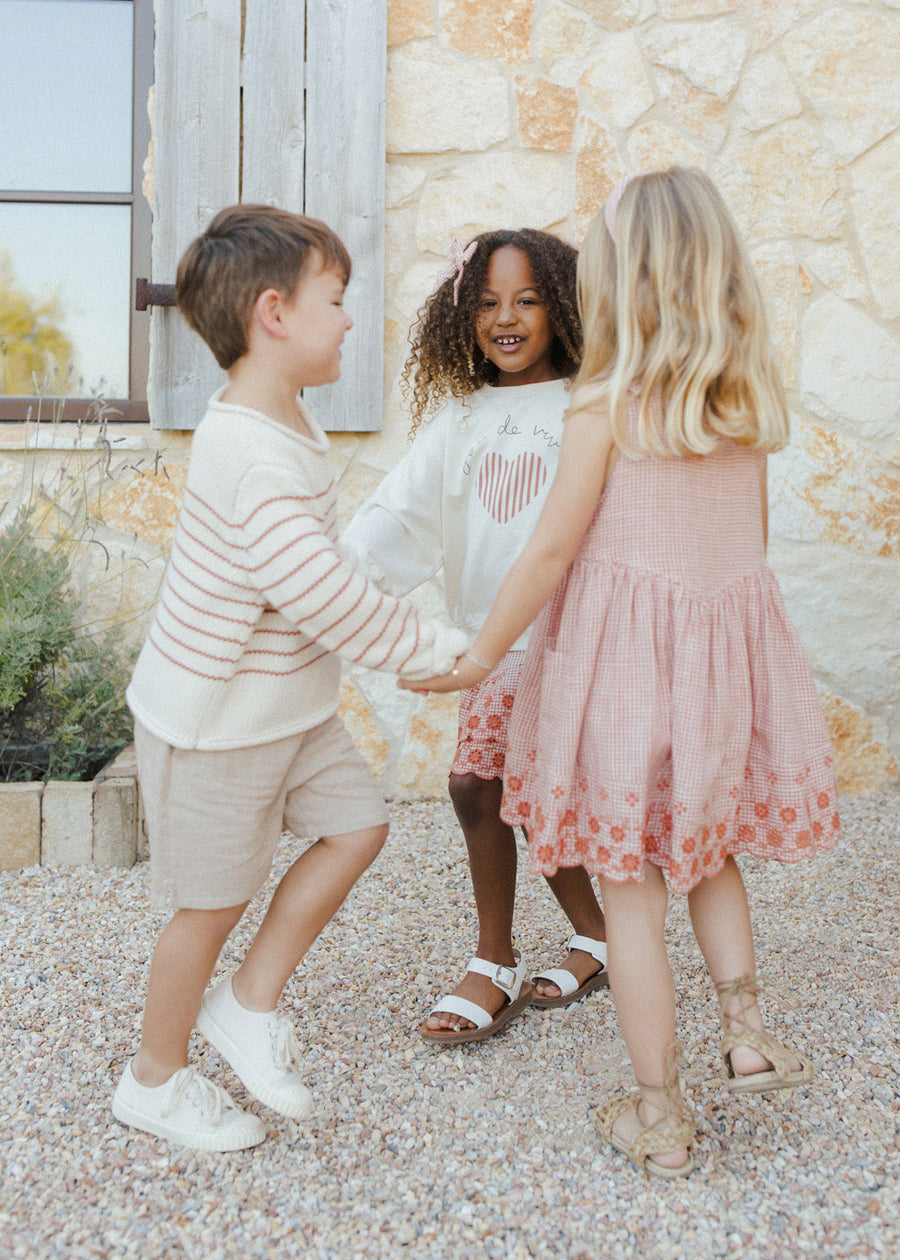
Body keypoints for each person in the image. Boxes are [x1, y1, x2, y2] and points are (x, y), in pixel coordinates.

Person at [401, 169, 840, 1174]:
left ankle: (662, 1114)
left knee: (631, 889)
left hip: (620, 685)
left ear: (618, 279)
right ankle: (748, 1033)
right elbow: (749, 552)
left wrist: (477, 657)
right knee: (709, 853)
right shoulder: (743, 403)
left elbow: (548, 553)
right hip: (718, 677)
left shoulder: (602, 406)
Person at [113, 205, 467, 1152]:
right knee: (211, 901)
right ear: (275, 313)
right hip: (218, 721)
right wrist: (433, 650)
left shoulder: (289, 420)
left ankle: (248, 1003)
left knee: (357, 826)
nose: (351, 319)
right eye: (337, 300)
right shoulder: (245, 449)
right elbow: (315, 590)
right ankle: (153, 1079)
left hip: (288, 708)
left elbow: (320, 563)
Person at [342, 229, 608, 1044]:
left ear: (562, 308)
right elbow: (399, 515)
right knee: (475, 786)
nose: (508, 317)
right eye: (488, 301)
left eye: (528, 299)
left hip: (576, 636)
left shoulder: (587, 404)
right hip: (492, 640)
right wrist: (330, 586)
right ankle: (493, 957)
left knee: (546, 801)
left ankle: (598, 937)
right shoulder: (460, 417)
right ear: (462, 315)